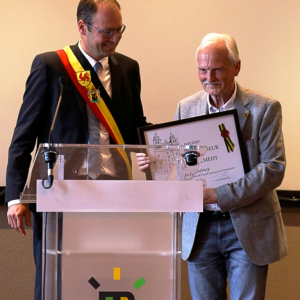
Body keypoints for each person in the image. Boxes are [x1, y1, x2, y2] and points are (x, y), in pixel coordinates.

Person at [5, 0, 149, 299]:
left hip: (113, 193)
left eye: (119, 30)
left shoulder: (129, 68)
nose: (115, 38)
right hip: (61, 191)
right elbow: (23, 137)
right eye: (107, 31)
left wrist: (170, 139)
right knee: (55, 279)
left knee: (106, 277)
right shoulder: (51, 66)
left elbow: (137, 125)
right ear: (82, 27)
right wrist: (15, 197)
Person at [137, 33, 288, 300]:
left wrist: (220, 195)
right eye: (203, 70)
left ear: (236, 67)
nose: (210, 77)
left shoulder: (264, 107)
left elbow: (273, 167)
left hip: (247, 225)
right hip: (200, 227)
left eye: (217, 69)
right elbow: (178, 165)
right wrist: (154, 165)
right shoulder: (186, 107)